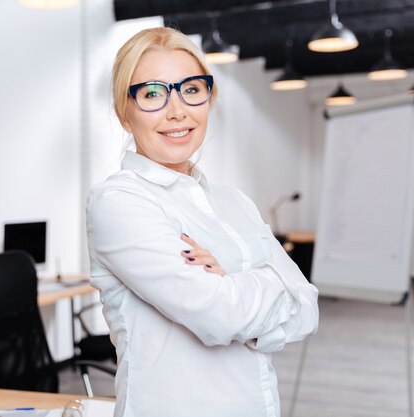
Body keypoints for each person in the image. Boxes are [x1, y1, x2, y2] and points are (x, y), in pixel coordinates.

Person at [86, 27, 319, 417]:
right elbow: (219, 315)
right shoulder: (119, 202)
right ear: (124, 115)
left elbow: (308, 306)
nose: (177, 111)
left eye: (191, 90)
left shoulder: (235, 203)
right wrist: (269, 281)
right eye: (153, 94)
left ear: (209, 98)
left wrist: (231, 280)